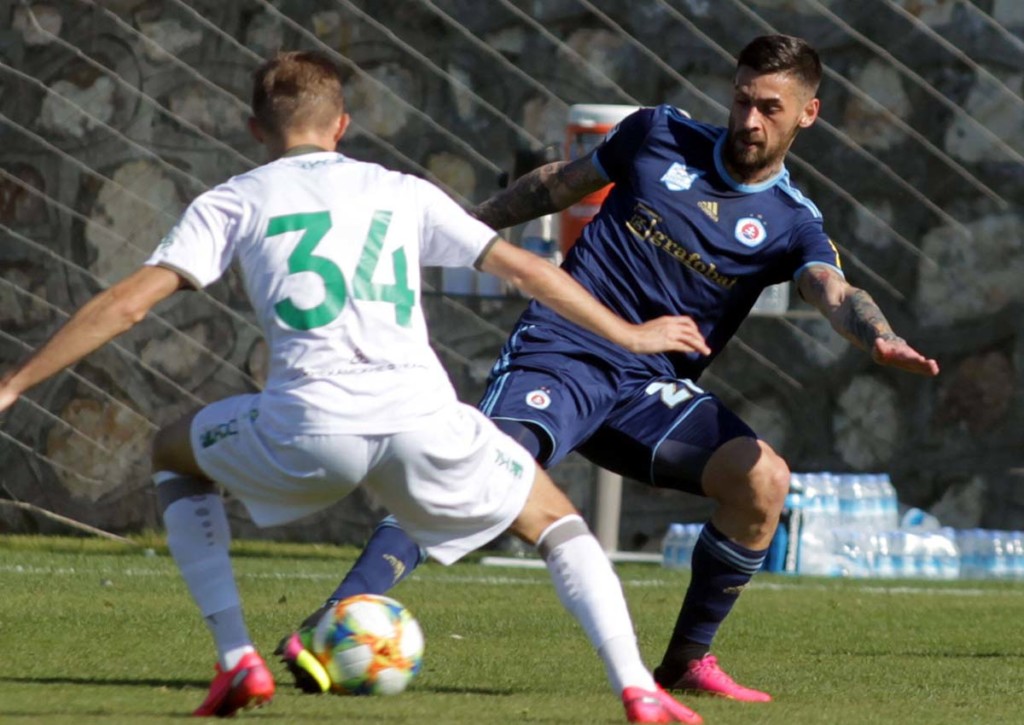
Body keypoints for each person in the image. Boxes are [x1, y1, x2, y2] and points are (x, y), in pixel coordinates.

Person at [0, 51, 712, 723]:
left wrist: (15, 383)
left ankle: (237, 657)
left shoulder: (233, 199)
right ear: (342, 125)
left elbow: (126, 305)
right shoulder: (399, 190)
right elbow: (526, 270)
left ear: (255, 129)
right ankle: (637, 688)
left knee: (171, 450)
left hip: (306, 428)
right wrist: (631, 333)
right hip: (423, 420)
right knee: (558, 526)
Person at [286, 34, 941, 703]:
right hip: (563, 350)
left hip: (647, 391)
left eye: (770, 107)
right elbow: (561, 183)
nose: (749, 119)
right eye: (743, 99)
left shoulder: (792, 221)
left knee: (763, 482)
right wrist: (465, 226)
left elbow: (831, 288)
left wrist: (878, 336)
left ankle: (686, 661)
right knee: (478, 470)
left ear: (808, 113)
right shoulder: (657, 135)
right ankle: (334, 617)